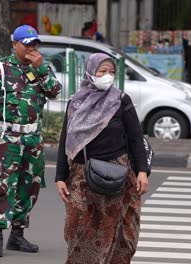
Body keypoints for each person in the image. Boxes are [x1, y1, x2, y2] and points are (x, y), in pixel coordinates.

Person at [55, 53, 149, 264]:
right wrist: (60, 176)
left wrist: (142, 171)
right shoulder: (76, 102)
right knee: (77, 227)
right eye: (102, 71)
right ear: (90, 73)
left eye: (111, 72)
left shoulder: (121, 100)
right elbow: (65, 141)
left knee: (117, 231)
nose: (107, 76)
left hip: (118, 173)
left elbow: (136, 138)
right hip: (81, 176)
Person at [0, 24, 62, 258]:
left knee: (30, 185)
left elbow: (55, 92)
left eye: (34, 44)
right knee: (3, 186)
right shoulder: (1, 67)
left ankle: (17, 234)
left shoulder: (40, 68)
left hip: (33, 137)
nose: (31, 48)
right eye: (26, 44)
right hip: (8, 137)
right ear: (14, 44)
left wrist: (41, 68)